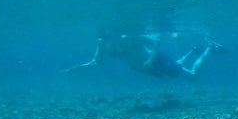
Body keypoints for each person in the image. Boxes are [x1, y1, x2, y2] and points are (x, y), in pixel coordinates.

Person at [68, 33, 225, 77]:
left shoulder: (129, 37)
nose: (102, 38)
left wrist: (150, 59)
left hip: (156, 62)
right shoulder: (102, 43)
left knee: (192, 74)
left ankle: (209, 49)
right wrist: (76, 68)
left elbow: (155, 41)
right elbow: (95, 62)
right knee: (178, 66)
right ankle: (193, 50)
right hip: (150, 69)